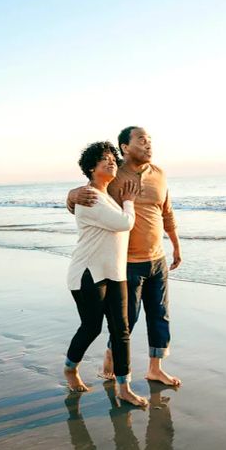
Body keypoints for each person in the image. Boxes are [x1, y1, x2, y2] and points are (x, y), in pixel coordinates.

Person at [67, 126, 182, 387]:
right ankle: (112, 356)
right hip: (127, 262)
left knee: (160, 314)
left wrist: (175, 245)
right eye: (142, 140)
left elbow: (167, 212)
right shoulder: (115, 174)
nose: (148, 145)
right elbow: (87, 196)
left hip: (157, 258)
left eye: (150, 140)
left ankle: (155, 368)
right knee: (126, 319)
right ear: (125, 148)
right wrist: (71, 195)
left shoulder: (159, 174)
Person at [64, 140, 148, 407]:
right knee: (91, 327)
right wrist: (129, 201)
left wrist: (122, 200)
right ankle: (70, 369)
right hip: (87, 273)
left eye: (113, 157)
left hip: (115, 273)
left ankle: (124, 387)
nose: (112, 161)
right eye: (105, 159)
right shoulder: (89, 197)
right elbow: (124, 224)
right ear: (91, 168)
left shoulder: (107, 197)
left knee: (121, 330)